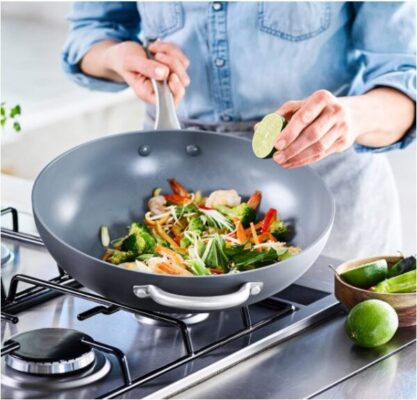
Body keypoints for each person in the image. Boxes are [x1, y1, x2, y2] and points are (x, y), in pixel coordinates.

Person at [62, 2, 416, 259]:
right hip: (175, 179)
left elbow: (403, 80)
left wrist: (351, 117)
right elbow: (91, 32)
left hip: (328, 186)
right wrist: (119, 58)